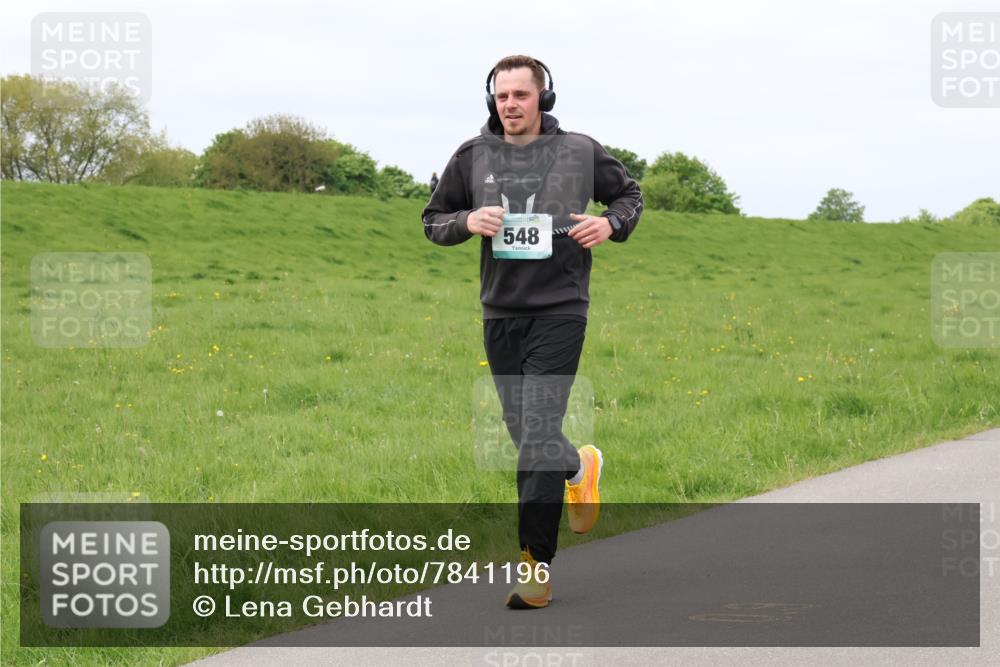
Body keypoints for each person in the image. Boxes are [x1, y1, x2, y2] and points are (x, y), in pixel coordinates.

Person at [421, 55, 642, 609]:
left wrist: (609, 223)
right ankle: (579, 465)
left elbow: (629, 197)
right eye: (501, 97)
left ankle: (535, 566)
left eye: (521, 95)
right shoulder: (472, 156)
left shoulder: (580, 151)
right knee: (527, 435)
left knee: (537, 429)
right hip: (501, 312)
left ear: (543, 99)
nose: (511, 106)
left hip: (562, 307)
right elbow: (433, 219)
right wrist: (466, 222)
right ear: (491, 100)